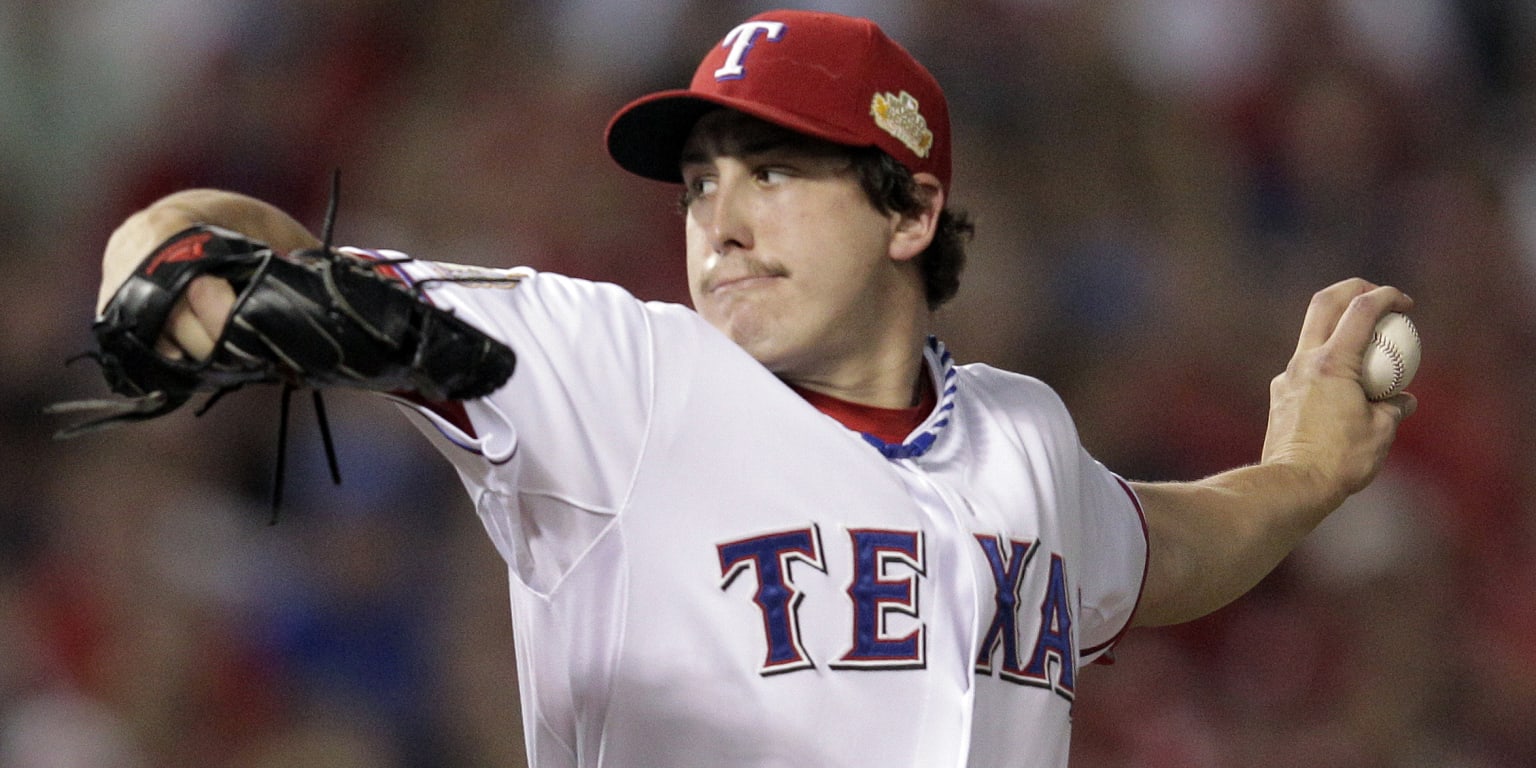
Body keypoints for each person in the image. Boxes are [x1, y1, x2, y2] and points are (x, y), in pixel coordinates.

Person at [84, 9, 1415, 767]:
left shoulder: (1027, 436)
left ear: (910, 209)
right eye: (702, 178)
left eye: (774, 172)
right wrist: (186, 274)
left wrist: (1300, 478)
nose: (718, 216)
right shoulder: (608, 378)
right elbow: (190, 242)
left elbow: (1163, 545)